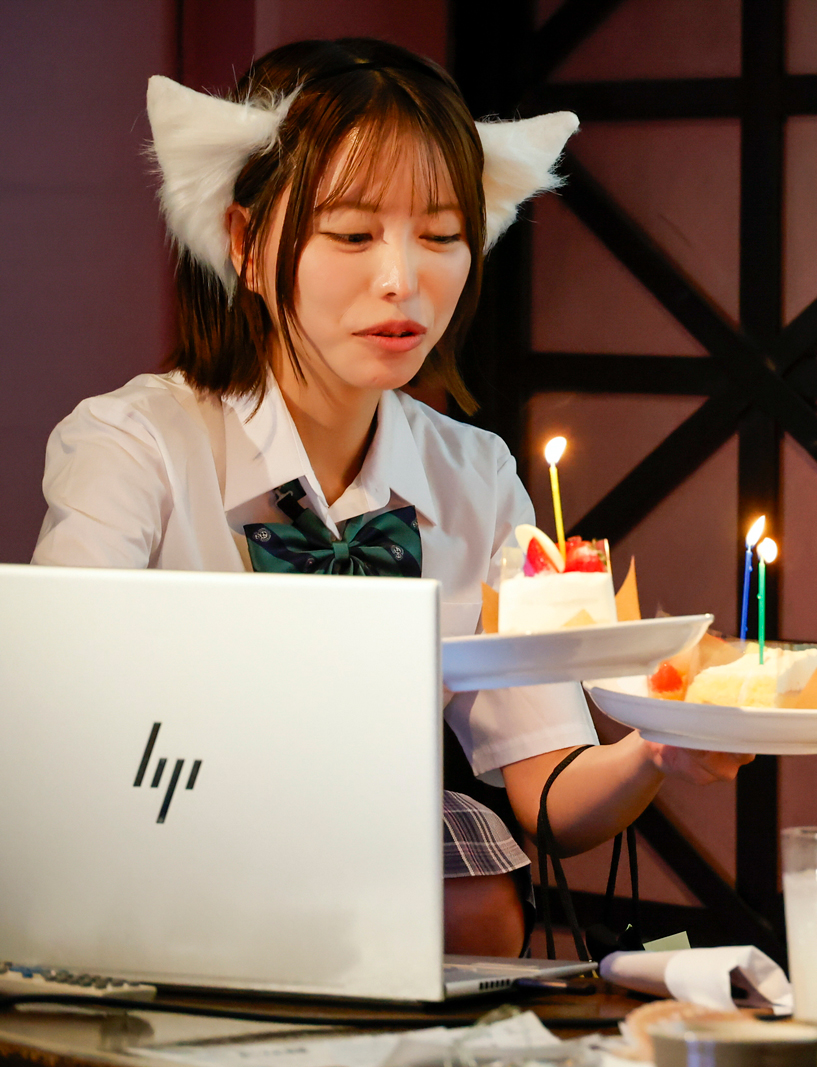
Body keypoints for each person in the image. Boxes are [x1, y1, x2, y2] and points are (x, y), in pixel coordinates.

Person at [33, 38, 750, 956]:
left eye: (441, 236)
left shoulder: (474, 475)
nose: (403, 280)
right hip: (161, 884)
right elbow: (57, 715)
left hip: (383, 925)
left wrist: (660, 744)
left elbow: (550, 793)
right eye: (353, 234)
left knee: (477, 899)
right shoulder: (134, 445)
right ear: (245, 243)